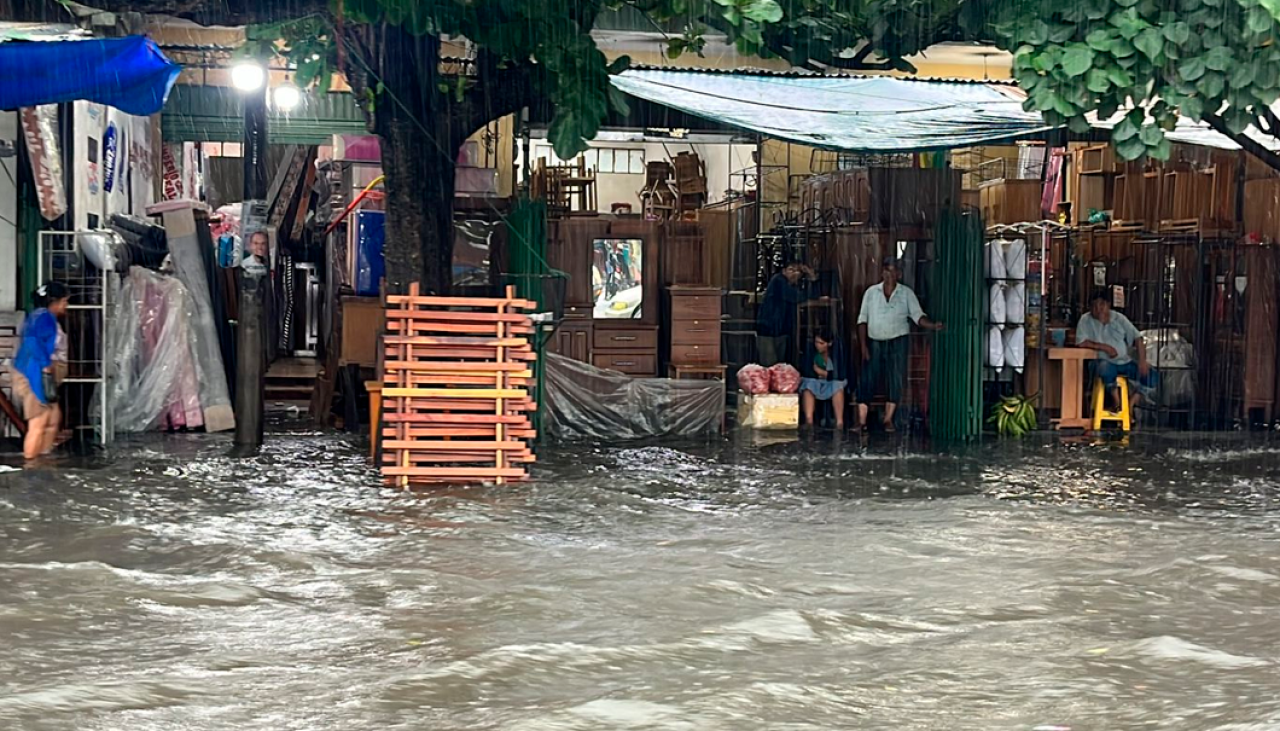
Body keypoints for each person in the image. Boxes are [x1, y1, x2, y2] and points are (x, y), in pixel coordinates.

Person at [856, 259, 943, 432]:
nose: (888, 274)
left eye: (891, 271)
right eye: (885, 271)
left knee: (895, 379)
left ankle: (888, 420)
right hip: (875, 342)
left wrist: (933, 325)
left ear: (899, 274)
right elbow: (862, 320)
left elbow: (918, 317)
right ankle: (861, 421)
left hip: (898, 341)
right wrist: (863, 346)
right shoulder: (871, 292)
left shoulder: (906, 294)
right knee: (867, 379)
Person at [12, 282, 70, 459]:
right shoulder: (42, 317)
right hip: (35, 374)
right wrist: (45, 365)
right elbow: (31, 341)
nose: (66, 305)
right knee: (39, 421)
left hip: (41, 375)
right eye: (64, 301)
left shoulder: (43, 317)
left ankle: (43, 458)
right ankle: (31, 465)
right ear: (54, 302)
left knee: (52, 420)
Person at [1076, 289, 1154, 411]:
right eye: (1094, 305)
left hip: (1124, 362)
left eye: (1101, 304)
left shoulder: (1119, 318)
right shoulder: (1085, 320)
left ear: (1108, 305)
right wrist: (1105, 347)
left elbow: (1137, 338)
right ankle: (1117, 403)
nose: (1098, 309)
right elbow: (1081, 342)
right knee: (1104, 367)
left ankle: (1130, 405)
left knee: (1151, 375)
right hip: (1100, 362)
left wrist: (1142, 361)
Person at [756, 262, 818, 367]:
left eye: (798, 271)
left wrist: (812, 278)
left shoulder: (793, 285)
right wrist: (811, 278)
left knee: (780, 366)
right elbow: (797, 297)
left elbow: (812, 295)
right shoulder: (779, 280)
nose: (795, 273)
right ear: (784, 271)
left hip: (781, 331)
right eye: (791, 270)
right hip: (769, 329)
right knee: (770, 365)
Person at [799, 328, 848, 430]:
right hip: (816, 381)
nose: (818, 345)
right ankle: (809, 420)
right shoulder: (811, 352)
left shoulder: (836, 353)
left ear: (829, 343)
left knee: (837, 387)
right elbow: (807, 371)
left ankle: (839, 422)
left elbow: (840, 374)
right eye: (816, 342)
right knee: (808, 386)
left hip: (831, 382)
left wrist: (824, 373)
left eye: (821, 343)